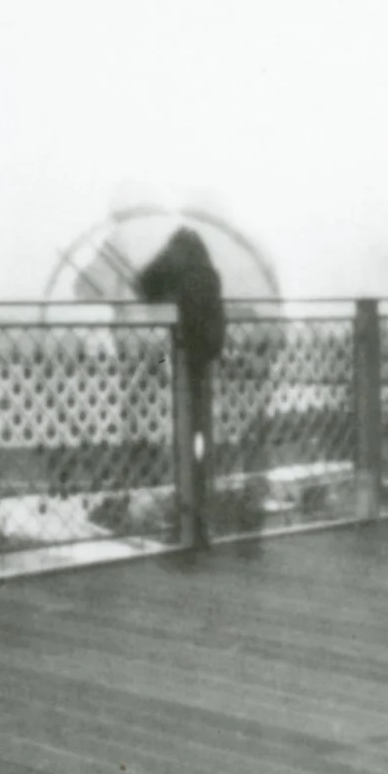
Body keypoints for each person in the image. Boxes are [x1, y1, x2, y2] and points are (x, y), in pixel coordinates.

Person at [136, 225, 226, 546]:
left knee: (185, 440)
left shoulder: (178, 276)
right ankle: (198, 519)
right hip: (203, 366)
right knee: (200, 441)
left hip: (183, 366)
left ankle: (187, 519)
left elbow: (144, 285)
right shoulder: (210, 276)